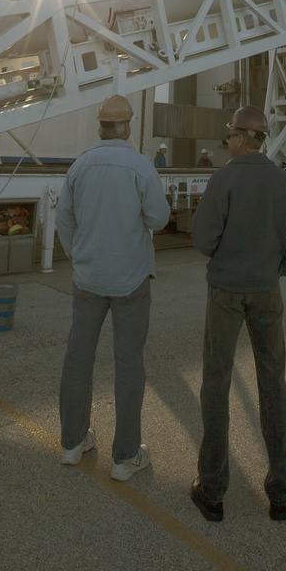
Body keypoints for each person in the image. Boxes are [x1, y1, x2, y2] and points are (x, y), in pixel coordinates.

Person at [190, 106, 286, 524]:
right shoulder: (283, 181)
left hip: (225, 290)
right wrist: (278, 267)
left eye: (229, 137)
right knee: (273, 382)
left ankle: (212, 489)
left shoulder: (223, 179)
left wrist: (230, 258)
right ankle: (280, 490)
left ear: (239, 138)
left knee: (216, 383)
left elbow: (203, 239)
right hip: (266, 291)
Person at [56, 95, 170, 482]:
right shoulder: (140, 166)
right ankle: (124, 457)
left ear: (100, 125)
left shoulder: (80, 166)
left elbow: (64, 220)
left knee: (78, 359)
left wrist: (80, 257)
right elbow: (158, 217)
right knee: (128, 365)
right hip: (130, 280)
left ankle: (73, 443)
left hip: (88, 279)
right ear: (128, 125)